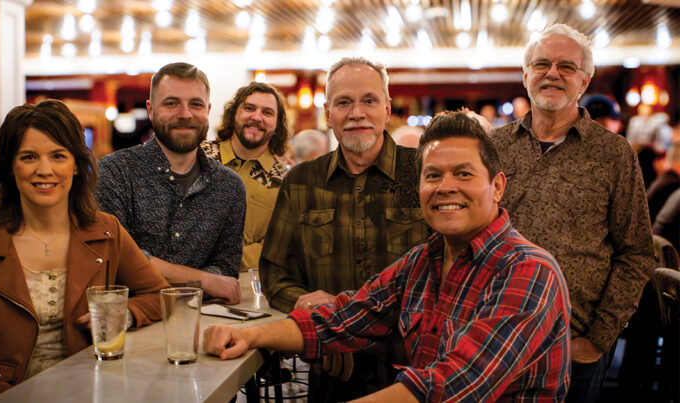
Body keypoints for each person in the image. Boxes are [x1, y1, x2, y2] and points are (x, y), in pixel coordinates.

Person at [206, 111, 571, 402]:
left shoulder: (528, 271)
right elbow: (344, 316)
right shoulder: (423, 261)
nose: (445, 187)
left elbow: (450, 386)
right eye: (432, 175)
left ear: (497, 186)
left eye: (463, 174)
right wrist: (252, 336)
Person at [0, 100, 168, 402]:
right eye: (28, 157)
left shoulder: (105, 229)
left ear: (76, 164)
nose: (45, 170)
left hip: (92, 392)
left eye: (58, 156)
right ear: (9, 167)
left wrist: (126, 315)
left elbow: (160, 296)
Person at [489, 23, 653, 402]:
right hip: (493, 337)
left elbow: (636, 252)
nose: (552, 73)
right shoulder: (492, 147)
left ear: (585, 80)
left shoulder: (614, 154)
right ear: (525, 75)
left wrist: (598, 339)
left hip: (573, 345)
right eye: (542, 63)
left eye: (566, 66)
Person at [259, 57, 430, 401]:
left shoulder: (426, 173)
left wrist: (344, 321)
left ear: (386, 109)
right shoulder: (301, 181)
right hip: (330, 375)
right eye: (343, 103)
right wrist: (320, 315)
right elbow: (275, 274)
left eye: (369, 100)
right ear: (328, 113)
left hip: (415, 373)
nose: (356, 113)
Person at [96, 62, 246, 304]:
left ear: (207, 110)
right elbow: (114, 261)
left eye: (195, 104)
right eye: (171, 103)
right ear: (151, 109)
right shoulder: (113, 172)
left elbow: (225, 270)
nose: (185, 114)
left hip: (203, 325)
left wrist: (155, 269)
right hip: (131, 324)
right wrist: (205, 281)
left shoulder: (230, 186)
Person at [200, 82, 289, 271]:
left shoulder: (283, 181)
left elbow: (278, 246)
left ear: (277, 126)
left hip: (245, 289)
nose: (257, 117)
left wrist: (221, 264)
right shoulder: (198, 157)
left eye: (267, 112)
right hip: (183, 282)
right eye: (249, 108)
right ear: (233, 114)